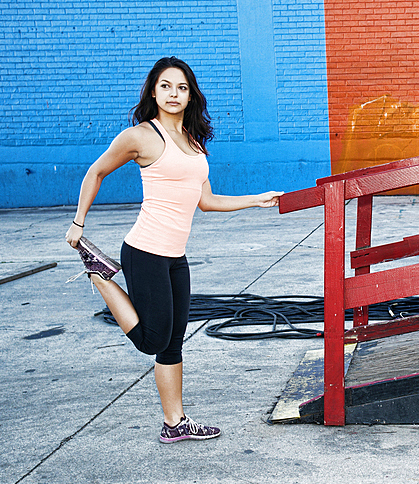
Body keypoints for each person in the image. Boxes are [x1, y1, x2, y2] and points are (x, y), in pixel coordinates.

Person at [65, 56, 282, 444]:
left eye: (181, 87)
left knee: (172, 345)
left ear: (190, 95)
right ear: (153, 91)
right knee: (151, 341)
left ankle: (175, 423)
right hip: (144, 251)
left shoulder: (194, 143)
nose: (173, 94)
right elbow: (95, 171)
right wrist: (79, 222)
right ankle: (99, 275)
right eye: (166, 86)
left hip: (175, 257)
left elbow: (206, 201)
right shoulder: (141, 136)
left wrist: (255, 199)